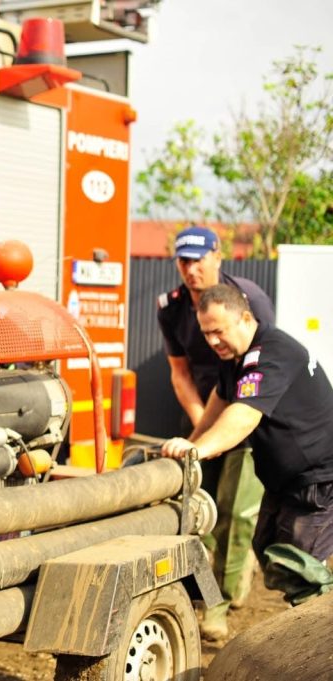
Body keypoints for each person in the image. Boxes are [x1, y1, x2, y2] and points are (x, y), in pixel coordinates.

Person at [161, 284, 333, 607]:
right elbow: (221, 399)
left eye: (218, 331)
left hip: (318, 481)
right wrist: (192, 443)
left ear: (244, 318)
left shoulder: (272, 353)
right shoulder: (236, 357)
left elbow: (243, 416)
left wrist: (198, 451)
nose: (212, 341)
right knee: (267, 549)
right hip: (284, 482)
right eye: (206, 333)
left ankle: (319, 629)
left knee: (302, 571)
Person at [156, 225, 271, 640]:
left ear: (218, 256)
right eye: (184, 261)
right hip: (201, 417)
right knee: (197, 509)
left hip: (243, 414)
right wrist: (201, 426)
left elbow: (260, 363)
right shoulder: (171, 308)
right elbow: (179, 373)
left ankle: (218, 604)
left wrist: (224, 429)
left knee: (235, 513)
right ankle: (208, 587)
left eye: (199, 259)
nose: (191, 269)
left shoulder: (247, 298)